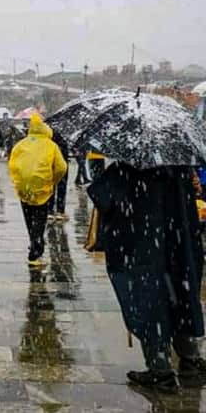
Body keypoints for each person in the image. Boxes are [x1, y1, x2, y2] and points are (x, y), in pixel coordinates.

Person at [88, 164, 206, 392]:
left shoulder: (127, 168)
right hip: (179, 249)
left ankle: (160, 370)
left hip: (143, 247)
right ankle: (190, 359)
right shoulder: (181, 169)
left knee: (149, 302)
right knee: (181, 298)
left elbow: (103, 197)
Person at [8, 114, 67, 266]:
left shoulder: (20, 144)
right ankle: (35, 253)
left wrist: (18, 181)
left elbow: (12, 165)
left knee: (29, 218)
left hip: (24, 188)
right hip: (42, 188)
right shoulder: (51, 145)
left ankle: (34, 242)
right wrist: (53, 180)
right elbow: (62, 167)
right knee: (39, 219)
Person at [47, 130, 70, 222]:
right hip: (62, 164)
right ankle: (60, 211)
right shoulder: (66, 134)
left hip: (51, 163)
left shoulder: (49, 132)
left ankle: (50, 210)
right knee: (62, 187)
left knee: (51, 186)